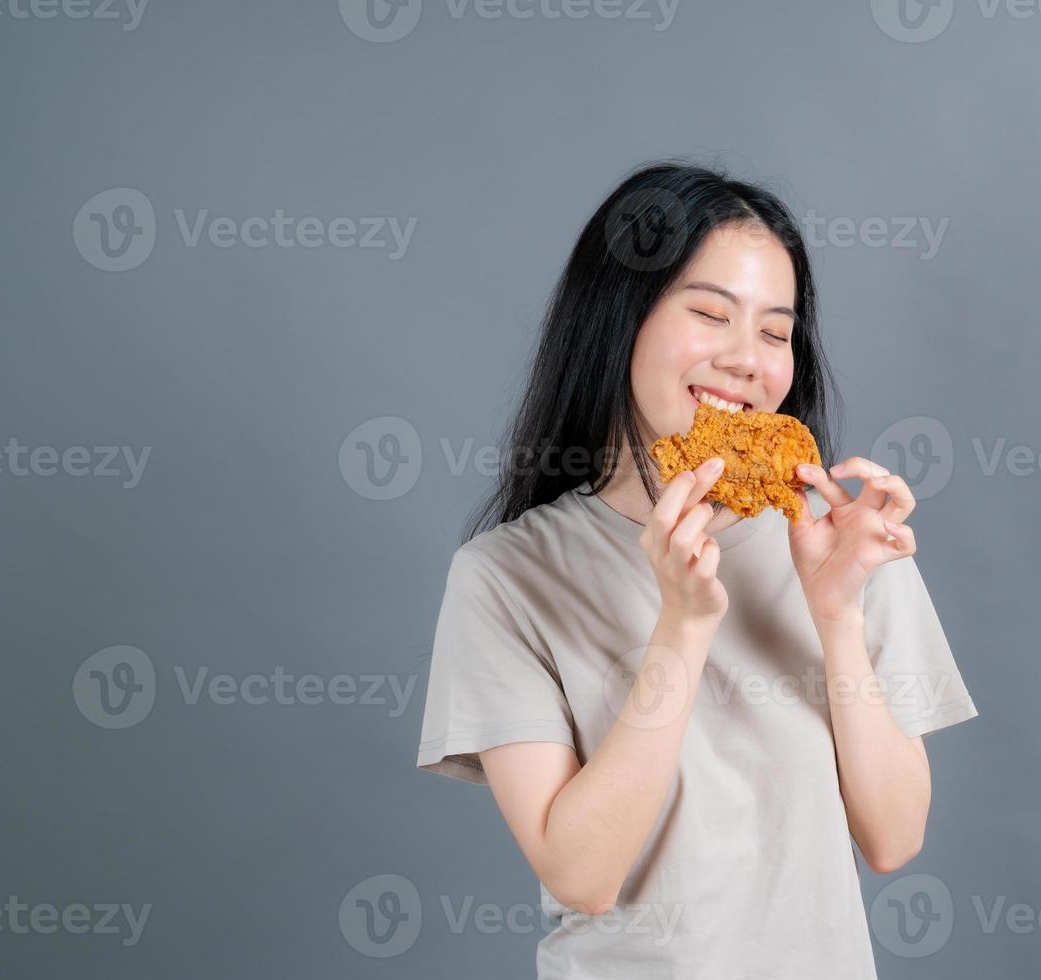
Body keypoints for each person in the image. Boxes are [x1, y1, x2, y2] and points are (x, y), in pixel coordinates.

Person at [415, 160, 978, 978]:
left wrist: (838, 619)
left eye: (776, 332)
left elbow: (895, 838)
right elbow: (580, 874)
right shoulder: (508, 577)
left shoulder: (843, 546)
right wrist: (680, 628)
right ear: (619, 318)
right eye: (712, 314)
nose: (748, 360)